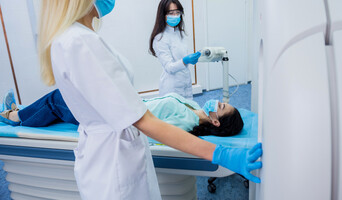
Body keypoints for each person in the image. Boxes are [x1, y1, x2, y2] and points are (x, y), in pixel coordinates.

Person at [36, 0, 262, 199]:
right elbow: (145, 121)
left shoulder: (79, 37)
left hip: (116, 149)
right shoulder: (80, 42)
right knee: (53, 103)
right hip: (114, 164)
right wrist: (220, 154)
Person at [1, 90, 243, 137]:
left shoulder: (187, 121)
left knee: (58, 99)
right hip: (120, 103)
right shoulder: (192, 106)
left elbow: (153, 134)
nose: (217, 102)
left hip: (114, 118)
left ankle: (16, 117)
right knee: (67, 96)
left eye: (221, 107)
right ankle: (20, 112)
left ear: (215, 122)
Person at [149, 0, 201, 99]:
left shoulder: (179, 33)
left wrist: (191, 59)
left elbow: (181, 58)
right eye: (171, 13)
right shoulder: (160, 38)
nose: (175, 15)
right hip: (171, 87)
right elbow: (169, 67)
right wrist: (186, 60)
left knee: (190, 110)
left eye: (177, 12)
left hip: (185, 80)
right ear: (163, 15)